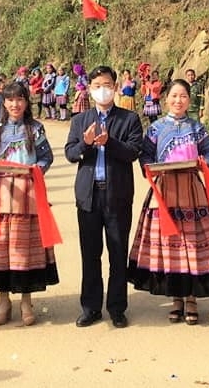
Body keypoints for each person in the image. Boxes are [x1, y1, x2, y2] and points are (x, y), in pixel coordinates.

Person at [127, 79, 209, 325]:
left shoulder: (197, 127)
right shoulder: (155, 129)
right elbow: (146, 156)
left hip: (192, 191)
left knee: (192, 242)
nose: (178, 100)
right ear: (166, 99)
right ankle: (175, 298)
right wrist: (149, 169)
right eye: (174, 96)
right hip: (163, 192)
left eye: (183, 96)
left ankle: (192, 298)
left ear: (189, 100)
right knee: (169, 242)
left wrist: (203, 163)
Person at [0, 81, 59, 326]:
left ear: (26, 102)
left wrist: (36, 171)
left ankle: (26, 301)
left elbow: (46, 156)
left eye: (19, 99)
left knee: (24, 251)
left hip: (27, 197)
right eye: (10, 100)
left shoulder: (35, 129)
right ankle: (3, 301)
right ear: (3, 103)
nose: (15, 104)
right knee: (0, 250)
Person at [65, 66, 144, 329]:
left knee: (117, 252)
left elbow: (133, 151)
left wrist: (109, 142)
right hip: (88, 196)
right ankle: (90, 307)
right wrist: (86, 144)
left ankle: (117, 307)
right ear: (89, 89)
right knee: (90, 253)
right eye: (97, 85)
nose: (103, 89)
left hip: (117, 195)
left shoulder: (129, 119)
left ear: (116, 87)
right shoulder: (79, 120)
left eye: (107, 84)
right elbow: (70, 152)